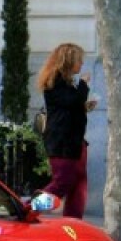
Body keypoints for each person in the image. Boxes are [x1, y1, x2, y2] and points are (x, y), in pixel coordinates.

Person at [32, 43, 98, 217]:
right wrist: (83, 84)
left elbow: (70, 107)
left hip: (75, 142)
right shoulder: (54, 81)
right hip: (62, 142)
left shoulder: (67, 83)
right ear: (68, 61)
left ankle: (73, 222)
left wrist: (84, 107)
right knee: (62, 182)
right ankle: (29, 209)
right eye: (79, 60)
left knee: (78, 185)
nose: (82, 63)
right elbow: (71, 102)